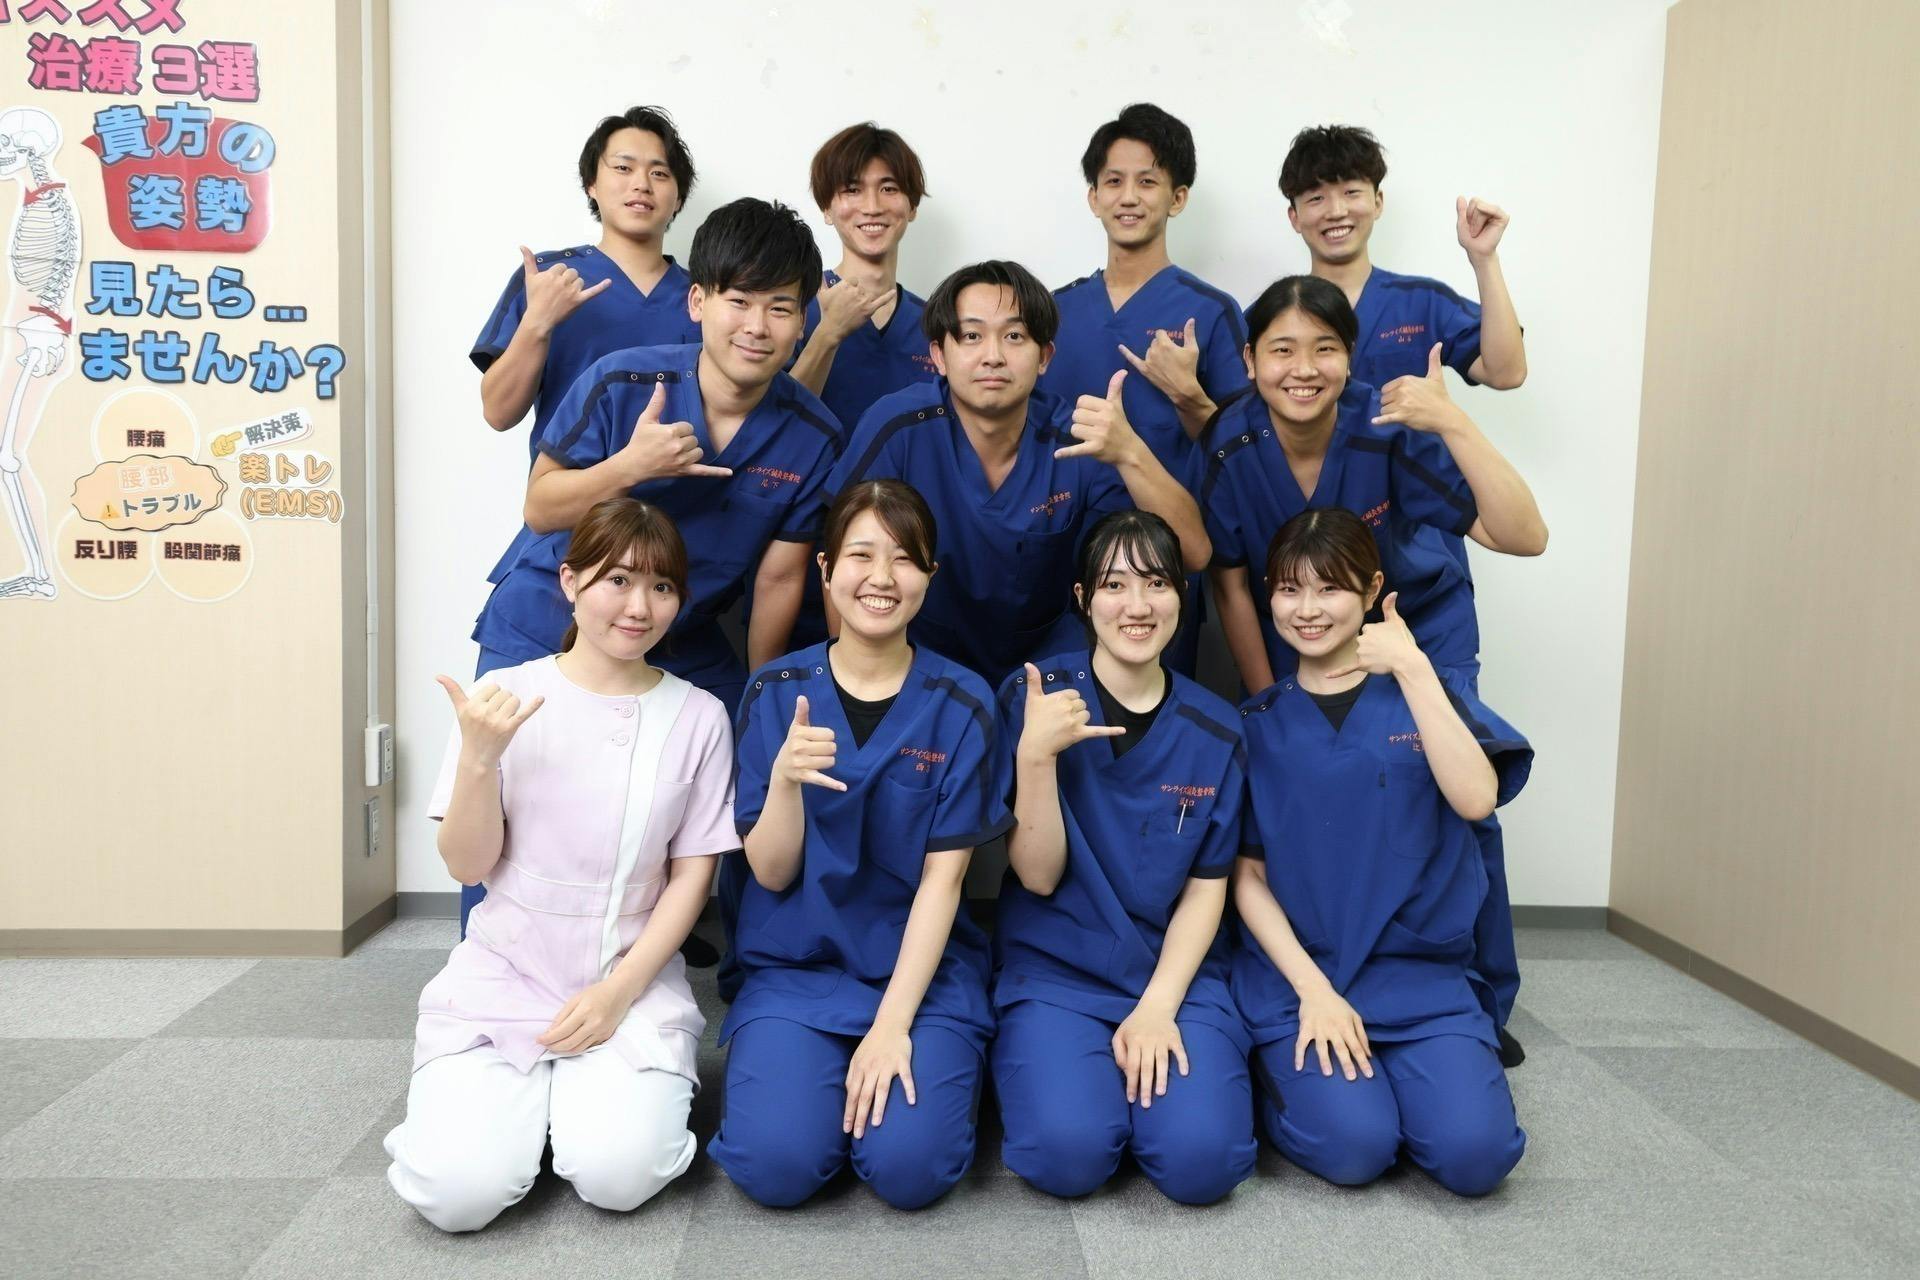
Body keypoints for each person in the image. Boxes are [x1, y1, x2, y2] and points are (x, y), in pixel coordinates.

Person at [466, 197, 833, 940]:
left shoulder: (813, 433)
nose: (756, 326)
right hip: (550, 613)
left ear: (803, 323)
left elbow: (777, 579)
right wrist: (630, 466)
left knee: (754, 754)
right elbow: (541, 506)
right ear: (698, 303)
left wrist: (760, 692)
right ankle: (490, 956)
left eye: (780, 308)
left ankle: (732, 956)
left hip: (679, 630)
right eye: (737, 301)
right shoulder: (623, 381)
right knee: (508, 790)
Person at [386, 499, 733, 1232]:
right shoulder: (505, 696)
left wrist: (617, 992)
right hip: (505, 973)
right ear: (571, 582)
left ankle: (569, 1110)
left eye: (662, 587)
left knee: (620, 1177)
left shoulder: (699, 714)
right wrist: (479, 760)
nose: (639, 607)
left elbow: (692, 877)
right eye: (618, 580)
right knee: (457, 1195)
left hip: (629, 977)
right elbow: (468, 866)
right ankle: (515, 1113)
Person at [709, 480, 1011, 1209]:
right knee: (776, 1167)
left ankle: (891, 1082)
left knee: (912, 1170)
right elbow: (770, 872)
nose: (882, 577)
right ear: (825, 569)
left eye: (904, 559)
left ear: (930, 576)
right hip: (796, 968)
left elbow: (944, 884)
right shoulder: (774, 691)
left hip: (921, 977)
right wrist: (785, 783)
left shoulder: (964, 703)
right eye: (862, 555)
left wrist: (892, 1026)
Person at [1233, 507, 1531, 1196]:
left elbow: (1476, 798)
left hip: (1420, 982)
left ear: (1371, 590)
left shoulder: (1428, 696)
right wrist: (1313, 991)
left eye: (1330, 588)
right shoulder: (1253, 726)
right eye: (1289, 589)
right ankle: (1286, 1078)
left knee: (1476, 1158)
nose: (1308, 609)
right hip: (1305, 979)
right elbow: (1245, 876)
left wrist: (1415, 670)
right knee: (1356, 1149)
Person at [989, 509, 1256, 1205]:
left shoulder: (1215, 728)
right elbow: (1037, 875)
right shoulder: (1034, 698)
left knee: (1203, 1165)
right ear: (1083, 599)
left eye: (1156, 583)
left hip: (1177, 975)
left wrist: (1159, 1007)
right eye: (1114, 584)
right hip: (1057, 970)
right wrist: (1035, 757)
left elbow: (1207, 887)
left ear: (1181, 596)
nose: (1137, 605)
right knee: (1067, 1157)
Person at [826, 259, 1209, 688]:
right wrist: (857, 687)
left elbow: (1192, 555)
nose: (993, 357)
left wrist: (1130, 452)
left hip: (1048, 663)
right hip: (915, 657)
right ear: (938, 356)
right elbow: (841, 563)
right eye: (971, 336)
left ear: (1044, 357)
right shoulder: (897, 427)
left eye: (1014, 336)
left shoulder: (1079, 438)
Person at [469, 108, 704, 620]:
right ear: (592, 185)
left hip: (676, 548)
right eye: (623, 167)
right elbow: (498, 412)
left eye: (660, 172)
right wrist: (537, 323)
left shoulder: (706, 299)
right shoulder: (549, 279)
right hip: (570, 533)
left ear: (678, 197)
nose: (641, 183)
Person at [1040, 103, 1247, 676]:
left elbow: (1246, 453)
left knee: (1155, 710)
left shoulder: (1210, 312)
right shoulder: (1052, 313)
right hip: (1057, 560)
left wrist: (1188, 395)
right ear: (1093, 197)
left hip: (1164, 563)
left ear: (1177, 198)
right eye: (1114, 182)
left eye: (1147, 182)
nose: (1128, 197)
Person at [782, 122, 939, 648]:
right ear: (827, 208)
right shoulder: (790, 311)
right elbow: (770, 425)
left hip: (909, 559)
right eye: (852, 189)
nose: (872, 206)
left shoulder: (938, 326)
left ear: (911, 206)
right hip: (804, 543)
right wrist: (827, 334)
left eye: (889, 188)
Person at [1278, 124, 1526, 392]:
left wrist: (1484, 259)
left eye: (1351, 192)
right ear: (1295, 217)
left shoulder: (1424, 302)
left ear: (1377, 203)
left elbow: (1506, 374)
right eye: (1316, 198)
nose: (1337, 211)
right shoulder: (1270, 315)